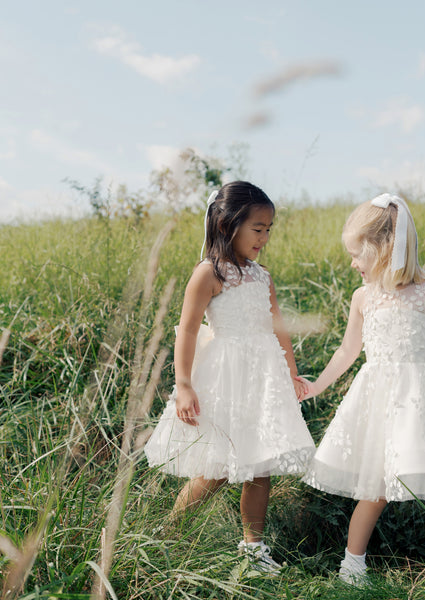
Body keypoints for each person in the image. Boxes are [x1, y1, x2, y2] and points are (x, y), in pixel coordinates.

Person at [298, 193, 425, 584]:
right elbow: (349, 350)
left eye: (357, 254)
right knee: (377, 483)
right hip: (381, 399)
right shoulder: (363, 298)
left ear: (384, 249)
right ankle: (352, 564)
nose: (352, 264)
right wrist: (316, 385)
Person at [145, 181, 315, 573]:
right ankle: (168, 535)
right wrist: (184, 384)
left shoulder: (261, 276)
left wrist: (290, 373)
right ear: (227, 223)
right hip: (226, 377)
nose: (265, 237)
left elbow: (279, 327)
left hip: (264, 377)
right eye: (258, 228)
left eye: (269, 229)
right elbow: (187, 330)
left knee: (261, 465)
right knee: (217, 468)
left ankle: (253, 550)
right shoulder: (209, 272)